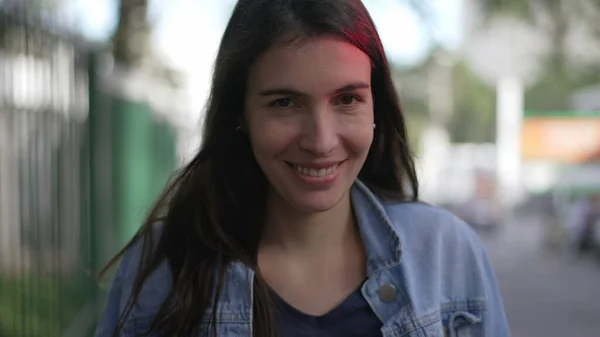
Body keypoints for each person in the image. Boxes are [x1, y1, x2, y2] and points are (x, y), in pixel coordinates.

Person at [95, 0, 510, 336]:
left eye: (347, 100)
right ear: (240, 114)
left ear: (375, 108)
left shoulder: (446, 254)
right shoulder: (167, 264)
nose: (321, 141)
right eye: (284, 103)